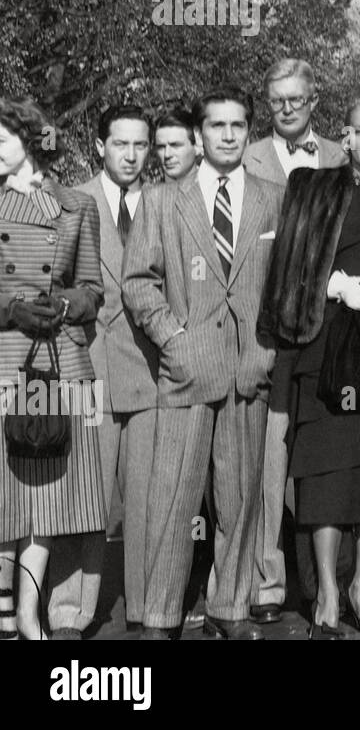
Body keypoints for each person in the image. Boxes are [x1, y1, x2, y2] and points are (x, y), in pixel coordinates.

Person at [259, 97, 360, 638]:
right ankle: (328, 589)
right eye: (359, 131)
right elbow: (287, 262)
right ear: (345, 137)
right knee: (325, 473)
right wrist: (332, 286)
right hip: (326, 344)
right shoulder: (312, 187)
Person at [122, 87, 283, 640]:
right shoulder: (163, 199)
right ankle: (161, 617)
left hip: (248, 371)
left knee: (240, 501)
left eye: (239, 125)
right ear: (199, 134)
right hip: (188, 370)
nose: (229, 136)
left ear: (249, 129)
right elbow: (138, 283)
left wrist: (268, 348)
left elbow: (288, 285)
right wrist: (174, 339)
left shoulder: (273, 197)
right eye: (217, 126)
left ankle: (231, 609)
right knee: (173, 497)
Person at [241, 59, 347, 627]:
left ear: (314, 98)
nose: (286, 109)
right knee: (267, 463)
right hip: (265, 327)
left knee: (318, 461)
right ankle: (268, 580)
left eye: (296, 99)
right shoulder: (247, 156)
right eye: (276, 100)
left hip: (323, 330)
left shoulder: (339, 157)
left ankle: (321, 584)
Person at [46, 106, 156, 638]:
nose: (131, 156)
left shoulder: (167, 202)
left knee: (146, 501)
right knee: (82, 498)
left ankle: (147, 607)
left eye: (141, 145)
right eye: (120, 145)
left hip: (152, 374)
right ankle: (69, 611)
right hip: (88, 370)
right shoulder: (70, 202)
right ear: (98, 146)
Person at [0, 99, 105, 642]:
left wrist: (64, 305)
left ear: (30, 140)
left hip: (59, 364)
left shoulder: (74, 206)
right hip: (3, 359)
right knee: (3, 497)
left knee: (43, 497)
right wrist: (9, 309)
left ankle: (26, 614)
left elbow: (92, 289)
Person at [153, 107, 201, 182]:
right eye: (161, 147)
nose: (167, 155)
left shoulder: (215, 190)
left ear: (197, 147)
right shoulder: (151, 191)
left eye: (175, 145)